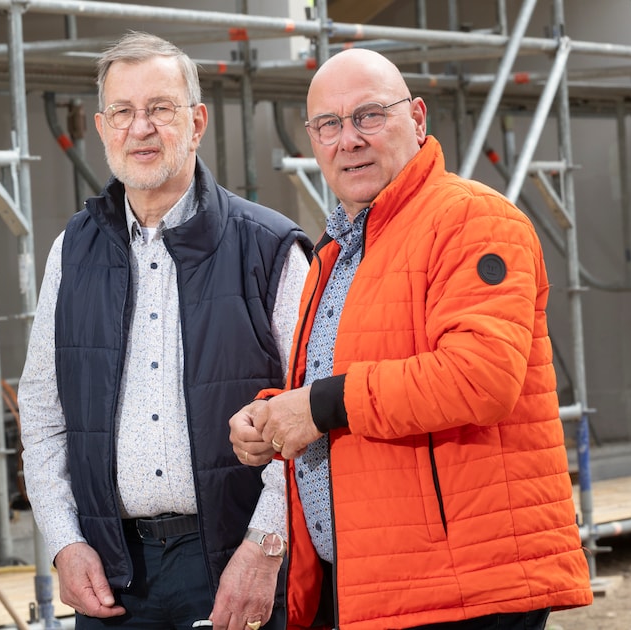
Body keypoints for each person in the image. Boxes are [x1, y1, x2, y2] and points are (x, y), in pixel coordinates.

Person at [229, 48, 593, 630]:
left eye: (369, 116)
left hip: (463, 588)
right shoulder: (338, 249)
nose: (349, 140)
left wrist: (316, 407)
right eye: (329, 124)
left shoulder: (473, 220)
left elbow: (479, 377)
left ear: (418, 118)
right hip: (377, 581)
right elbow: (350, 382)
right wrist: (276, 418)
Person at [18, 31, 311, 630]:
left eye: (160, 109)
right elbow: (43, 411)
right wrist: (64, 540)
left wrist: (266, 545)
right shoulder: (71, 252)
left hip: (233, 562)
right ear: (102, 128)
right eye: (123, 112)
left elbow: (313, 413)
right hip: (111, 574)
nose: (141, 128)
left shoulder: (270, 249)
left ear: (197, 122)